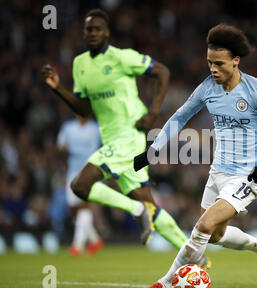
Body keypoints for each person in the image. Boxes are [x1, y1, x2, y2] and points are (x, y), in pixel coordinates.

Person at [134, 23, 257, 288]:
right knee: (215, 235)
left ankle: (162, 286)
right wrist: (154, 149)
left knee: (202, 227)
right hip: (218, 172)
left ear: (236, 61)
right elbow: (179, 117)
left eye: (219, 63)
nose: (213, 69)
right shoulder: (207, 88)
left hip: (248, 176)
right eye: (210, 62)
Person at [41, 8, 210, 267]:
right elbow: (84, 109)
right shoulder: (80, 65)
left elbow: (162, 72)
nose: (93, 33)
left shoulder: (122, 58)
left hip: (129, 136)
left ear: (107, 32)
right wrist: (57, 88)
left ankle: (136, 210)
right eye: (89, 29)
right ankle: (197, 256)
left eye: (98, 28)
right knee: (150, 206)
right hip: (113, 140)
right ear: (84, 34)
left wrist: (154, 113)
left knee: (80, 185)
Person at [57, 116, 104, 256]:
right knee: (74, 208)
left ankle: (77, 245)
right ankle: (94, 239)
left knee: (85, 206)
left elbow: (103, 146)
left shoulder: (95, 128)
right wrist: (63, 149)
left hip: (90, 172)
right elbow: (60, 146)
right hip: (73, 172)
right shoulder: (67, 127)